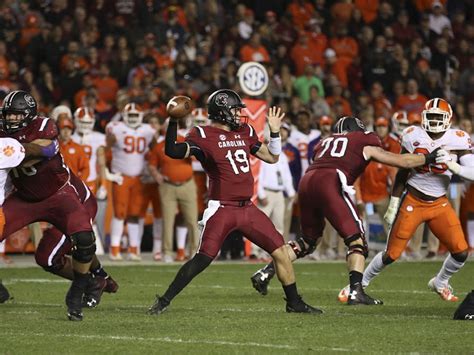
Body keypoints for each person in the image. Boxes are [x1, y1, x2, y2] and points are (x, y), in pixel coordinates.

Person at [148, 89, 321, 315]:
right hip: (222, 209)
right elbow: (173, 150)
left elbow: (272, 157)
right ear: (221, 112)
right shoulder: (203, 134)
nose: (239, 114)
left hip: (247, 208)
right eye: (234, 109)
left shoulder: (244, 131)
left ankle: (294, 302)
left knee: (280, 250)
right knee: (203, 258)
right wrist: (172, 121)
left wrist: (275, 132)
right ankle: (164, 300)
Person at [251, 115, 438, 305]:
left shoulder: (323, 142)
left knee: (307, 241)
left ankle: (267, 272)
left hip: (307, 181)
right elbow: (401, 161)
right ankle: (356, 292)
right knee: (357, 240)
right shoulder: (362, 141)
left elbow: (320, 158)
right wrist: (427, 157)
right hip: (330, 181)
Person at [338, 98, 474, 303]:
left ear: (448, 119)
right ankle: (357, 286)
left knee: (461, 252)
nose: (435, 121)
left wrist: (453, 167)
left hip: (439, 203)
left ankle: (440, 281)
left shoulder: (459, 138)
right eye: (431, 116)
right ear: (424, 117)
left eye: (439, 117)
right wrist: (394, 203)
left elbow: (472, 172)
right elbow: (402, 170)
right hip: (413, 200)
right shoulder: (412, 135)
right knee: (391, 254)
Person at [0, 90, 108, 321]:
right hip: (25, 198)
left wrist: (15, 148)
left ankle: (84, 286)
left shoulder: (44, 126)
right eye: (8, 115)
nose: (10, 120)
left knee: (75, 244)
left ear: (29, 116)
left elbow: (44, 149)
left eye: (16, 116)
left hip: (59, 195)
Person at [106, 103, 155, 261]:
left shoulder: (148, 130)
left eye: (135, 115)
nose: (133, 118)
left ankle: (134, 248)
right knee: (120, 214)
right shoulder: (115, 127)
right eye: (131, 115)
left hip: (139, 178)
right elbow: (106, 148)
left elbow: (154, 150)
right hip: (122, 177)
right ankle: (115, 248)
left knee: (135, 214)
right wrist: (109, 171)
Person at [147, 118, 199, 263]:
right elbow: (152, 165)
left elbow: (196, 156)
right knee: (168, 221)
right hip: (168, 185)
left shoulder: (185, 140)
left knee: (192, 220)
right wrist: (157, 175)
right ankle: (167, 252)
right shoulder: (159, 146)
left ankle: (194, 251)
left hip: (187, 184)